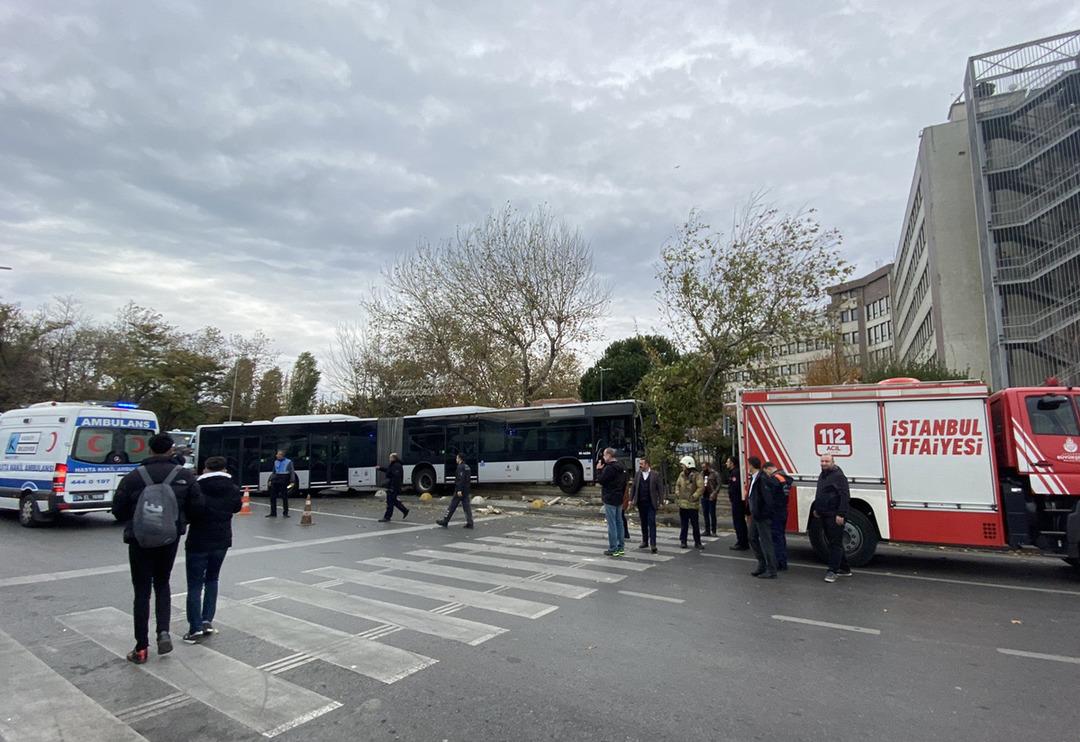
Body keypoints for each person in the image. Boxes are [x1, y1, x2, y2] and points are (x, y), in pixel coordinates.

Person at [112, 433, 201, 664]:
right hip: (169, 539)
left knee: (141, 591)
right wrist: (179, 522)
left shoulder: (134, 476)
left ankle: (141, 647)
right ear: (171, 450)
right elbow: (197, 507)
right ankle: (163, 632)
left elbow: (118, 509)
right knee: (162, 583)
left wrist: (136, 520)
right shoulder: (184, 476)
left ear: (149, 450)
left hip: (139, 540)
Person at [183, 456, 242, 643]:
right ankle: (207, 620)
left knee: (194, 584)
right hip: (221, 540)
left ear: (206, 469)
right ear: (224, 469)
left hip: (198, 540)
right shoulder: (232, 488)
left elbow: (190, 512)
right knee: (212, 579)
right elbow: (236, 508)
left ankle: (195, 628)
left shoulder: (197, 487)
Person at [814, 453, 852, 583]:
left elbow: (845, 496)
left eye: (827, 461)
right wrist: (817, 509)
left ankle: (832, 571)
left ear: (833, 462)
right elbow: (820, 493)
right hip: (824, 514)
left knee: (835, 544)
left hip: (834, 515)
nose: (824, 463)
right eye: (822, 461)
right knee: (833, 542)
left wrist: (841, 514)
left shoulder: (839, 476)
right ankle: (845, 568)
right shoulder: (823, 475)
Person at [746, 456, 778, 579]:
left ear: (751, 465)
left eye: (748, 464)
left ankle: (771, 569)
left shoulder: (762, 478)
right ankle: (762, 563)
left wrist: (763, 514)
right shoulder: (754, 478)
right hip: (755, 514)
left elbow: (767, 499)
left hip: (762, 515)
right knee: (752, 537)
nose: (747, 467)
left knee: (766, 542)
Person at [595, 448, 627, 557]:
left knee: (612, 524)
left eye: (604, 455)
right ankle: (621, 547)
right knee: (619, 523)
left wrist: (599, 470)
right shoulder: (621, 466)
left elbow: (601, 480)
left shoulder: (609, 468)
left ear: (609, 455)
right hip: (619, 497)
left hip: (610, 498)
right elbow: (625, 482)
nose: (603, 458)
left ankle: (613, 548)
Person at [764, 461, 792, 571]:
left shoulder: (774, 479)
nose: (766, 475)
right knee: (781, 537)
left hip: (776, 512)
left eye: (765, 472)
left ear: (768, 469)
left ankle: (778, 563)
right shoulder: (784, 478)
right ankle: (783, 562)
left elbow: (770, 497)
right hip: (783, 510)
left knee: (776, 538)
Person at [631, 458, 663, 553]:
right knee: (643, 522)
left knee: (652, 522)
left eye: (642, 464)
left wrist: (661, 501)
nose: (640, 465)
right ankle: (645, 541)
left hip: (651, 503)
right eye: (640, 464)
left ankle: (653, 544)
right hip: (641, 502)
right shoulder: (638, 474)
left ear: (647, 464)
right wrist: (631, 499)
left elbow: (660, 489)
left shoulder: (655, 475)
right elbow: (633, 487)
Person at [674, 456, 705, 550]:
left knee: (695, 524)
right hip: (683, 504)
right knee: (684, 524)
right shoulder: (681, 474)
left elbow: (701, 488)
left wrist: (694, 496)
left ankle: (697, 542)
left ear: (688, 465)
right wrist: (677, 492)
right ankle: (683, 541)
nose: (682, 467)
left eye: (683, 465)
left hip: (692, 505)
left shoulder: (697, 475)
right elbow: (677, 485)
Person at [437, 453, 474, 529]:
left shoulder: (460, 467)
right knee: (467, 507)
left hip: (460, 490)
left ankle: (445, 520)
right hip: (466, 490)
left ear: (460, 458)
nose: (456, 459)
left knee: (452, 505)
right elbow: (467, 479)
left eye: (457, 458)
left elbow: (461, 479)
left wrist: (459, 489)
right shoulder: (467, 467)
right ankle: (470, 523)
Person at [725, 456, 749, 550]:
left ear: (732, 463)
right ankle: (743, 541)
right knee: (740, 521)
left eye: (728, 462)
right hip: (737, 501)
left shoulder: (735, 473)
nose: (726, 463)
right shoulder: (734, 472)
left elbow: (735, 488)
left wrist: (733, 498)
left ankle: (741, 542)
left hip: (737, 501)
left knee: (738, 522)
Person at [377, 452, 409, 522]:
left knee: (390, 502)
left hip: (394, 486)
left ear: (394, 458)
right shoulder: (394, 465)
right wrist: (380, 468)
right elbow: (389, 471)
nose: (389, 459)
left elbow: (396, 477)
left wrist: (392, 487)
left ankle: (387, 517)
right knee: (393, 501)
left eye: (390, 457)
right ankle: (405, 510)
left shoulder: (396, 466)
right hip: (393, 486)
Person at [266, 450, 295, 518]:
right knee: (272, 497)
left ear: (282, 455)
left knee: (284, 496)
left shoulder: (289, 462)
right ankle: (273, 513)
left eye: (278, 454)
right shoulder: (275, 462)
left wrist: (292, 481)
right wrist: (270, 480)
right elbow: (274, 472)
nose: (276, 455)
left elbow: (292, 471)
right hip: (276, 478)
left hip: (284, 478)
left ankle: (285, 513)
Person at [701, 461, 718, 537]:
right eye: (702, 467)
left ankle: (713, 530)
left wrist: (715, 492)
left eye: (704, 467)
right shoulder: (701, 474)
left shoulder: (714, 473)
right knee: (705, 513)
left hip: (711, 495)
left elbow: (718, 484)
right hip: (704, 495)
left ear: (708, 466)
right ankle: (707, 530)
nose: (703, 468)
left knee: (712, 513)